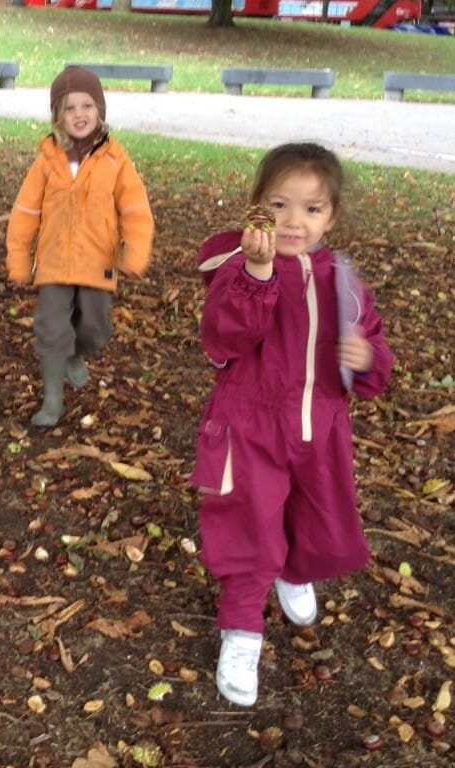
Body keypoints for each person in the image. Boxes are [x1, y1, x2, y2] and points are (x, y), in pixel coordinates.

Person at [191, 142, 394, 707]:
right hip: (249, 422)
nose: (292, 222)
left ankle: (293, 567)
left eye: (311, 209)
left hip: (320, 426)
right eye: (278, 205)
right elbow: (224, 338)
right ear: (256, 206)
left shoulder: (343, 283)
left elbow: (373, 351)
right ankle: (241, 630)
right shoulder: (237, 267)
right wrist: (257, 274)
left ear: (331, 217)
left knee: (318, 512)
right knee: (249, 520)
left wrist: (367, 359)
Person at [5, 66, 154, 427]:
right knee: (51, 329)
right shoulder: (47, 161)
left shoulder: (116, 161)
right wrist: (19, 261)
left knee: (95, 328)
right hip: (54, 262)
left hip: (97, 261)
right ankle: (52, 401)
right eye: (69, 108)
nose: (79, 115)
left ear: (99, 111)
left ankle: (77, 353)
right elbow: (25, 212)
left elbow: (136, 211)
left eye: (87, 106)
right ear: (58, 115)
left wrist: (134, 254)